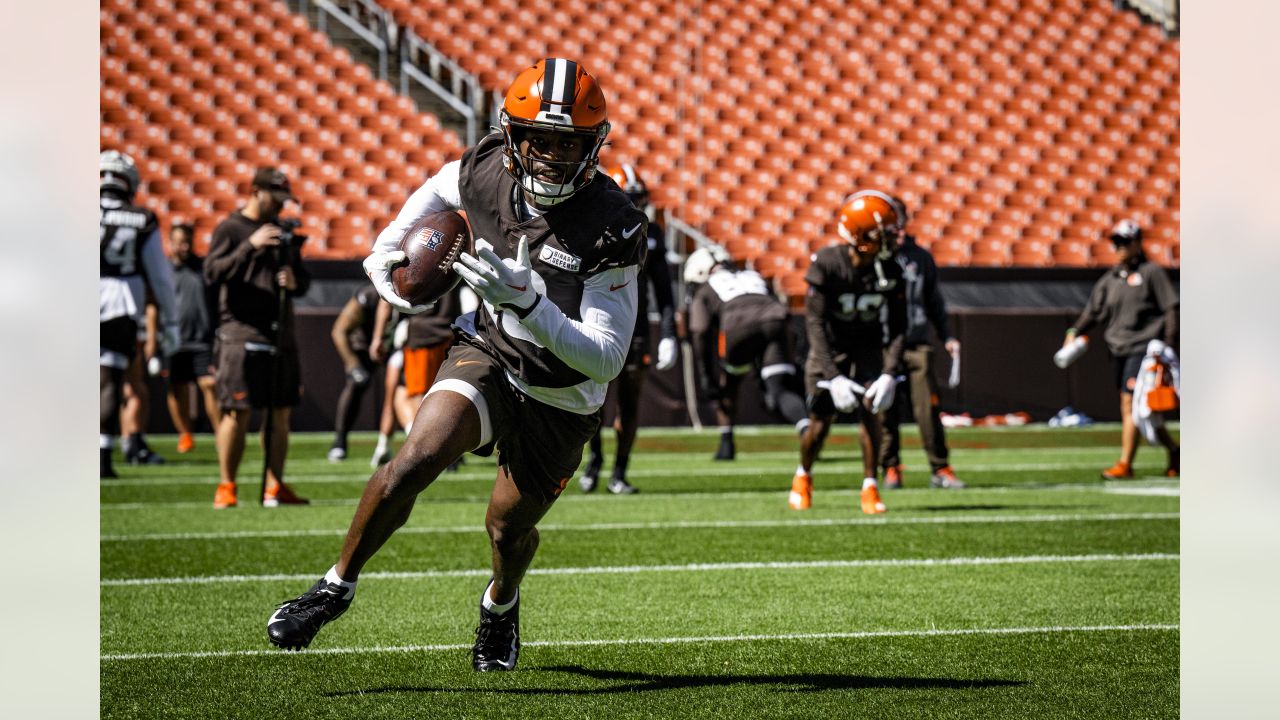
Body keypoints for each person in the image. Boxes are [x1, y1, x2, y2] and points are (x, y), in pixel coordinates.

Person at [265, 59, 646, 673]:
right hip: (490, 351)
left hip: (563, 391)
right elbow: (444, 187)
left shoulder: (613, 223)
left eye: (566, 142)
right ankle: (335, 586)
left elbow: (605, 358)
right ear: (513, 137)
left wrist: (530, 302)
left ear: (591, 145)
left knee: (506, 530)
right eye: (539, 140)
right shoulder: (487, 166)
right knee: (412, 461)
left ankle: (500, 605)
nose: (550, 154)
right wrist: (391, 247)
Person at [790, 191, 908, 515]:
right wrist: (833, 376)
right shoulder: (828, 264)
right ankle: (804, 475)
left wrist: (889, 372)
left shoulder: (891, 270)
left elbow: (899, 327)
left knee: (872, 417)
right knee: (819, 423)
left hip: (867, 349)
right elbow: (813, 323)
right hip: (829, 350)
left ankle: (870, 486)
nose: (892, 239)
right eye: (882, 233)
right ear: (860, 236)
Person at [205, 167, 311, 508]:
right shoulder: (231, 229)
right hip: (241, 332)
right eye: (275, 199)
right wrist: (249, 246)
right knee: (237, 410)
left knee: (280, 412)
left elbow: (304, 281)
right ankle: (227, 485)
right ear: (255, 192)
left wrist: (294, 281)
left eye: (284, 201)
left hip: (280, 331)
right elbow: (212, 272)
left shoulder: (282, 231)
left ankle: (274, 486)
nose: (280, 207)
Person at [578, 163, 678, 494]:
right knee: (593, 400)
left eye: (639, 199)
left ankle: (619, 471)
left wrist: (668, 333)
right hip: (597, 322)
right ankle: (594, 461)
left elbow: (664, 291)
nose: (636, 207)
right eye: (630, 199)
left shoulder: (652, 235)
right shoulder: (593, 228)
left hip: (634, 330)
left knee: (630, 402)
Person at [1060, 219, 1179, 479]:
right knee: (1144, 409)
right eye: (1116, 242)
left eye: (1125, 242)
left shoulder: (1151, 273)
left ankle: (1125, 463)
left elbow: (1171, 307)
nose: (1120, 247)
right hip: (1118, 348)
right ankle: (1175, 450)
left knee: (1130, 404)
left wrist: (1169, 344)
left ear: (1138, 243)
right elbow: (1093, 312)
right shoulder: (1111, 279)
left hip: (1144, 348)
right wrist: (1074, 332)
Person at [684, 244, 809, 461]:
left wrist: (706, 377)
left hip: (737, 328)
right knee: (778, 389)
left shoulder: (706, 289)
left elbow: (700, 331)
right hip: (777, 321)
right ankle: (808, 431)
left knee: (729, 381)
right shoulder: (752, 275)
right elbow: (772, 307)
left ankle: (726, 443)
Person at [99, 150, 179, 478]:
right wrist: (170, 321)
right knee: (109, 382)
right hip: (118, 303)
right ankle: (102, 456)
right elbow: (160, 276)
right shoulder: (140, 217)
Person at [878, 195, 965, 490]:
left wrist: (948, 336)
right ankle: (890, 466)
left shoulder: (921, 257)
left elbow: (933, 302)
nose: (897, 232)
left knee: (927, 409)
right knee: (884, 410)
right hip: (884, 344)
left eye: (899, 225)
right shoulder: (874, 256)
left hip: (916, 343)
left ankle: (940, 468)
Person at [164, 222, 221, 454]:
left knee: (208, 384)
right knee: (177, 388)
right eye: (179, 242)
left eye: (187, 241)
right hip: (174, 340)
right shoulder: (163, 270)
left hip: (202, 339)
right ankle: (185, 434)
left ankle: (221, 433)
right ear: (171, 243)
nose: (184, 247)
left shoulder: (204, 268)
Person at [327, 284, 381, 462]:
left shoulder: (420, 290)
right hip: (365, 347)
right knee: (356, 384)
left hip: (400, 343)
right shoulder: (369, 294)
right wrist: (353, 365)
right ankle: (340, 440)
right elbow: (339, 330)